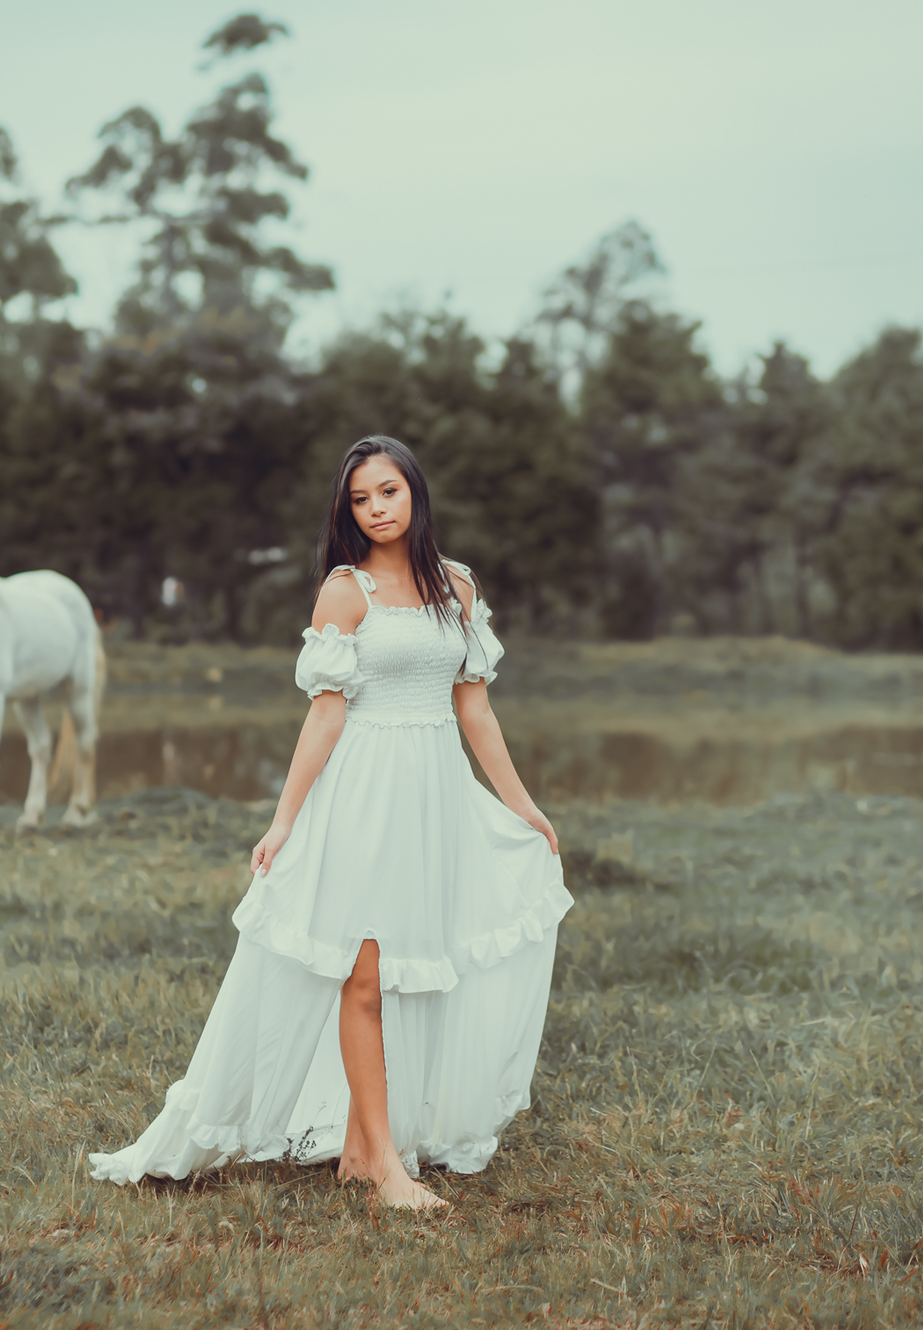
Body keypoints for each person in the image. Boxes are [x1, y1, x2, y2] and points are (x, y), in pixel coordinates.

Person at [89, 435, 573, 1210]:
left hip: (436, 796)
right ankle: (384, 1167)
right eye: (360, 498)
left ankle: (357, 1149)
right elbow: (324, 716)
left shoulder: (458, 586)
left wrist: (522, 804)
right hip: (363, 794)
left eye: (389, 491)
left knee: (413, 969)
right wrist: (284, 820)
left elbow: (475, 709)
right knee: (366, 973)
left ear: (415, 492)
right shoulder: (346, 592)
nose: (377, 508)